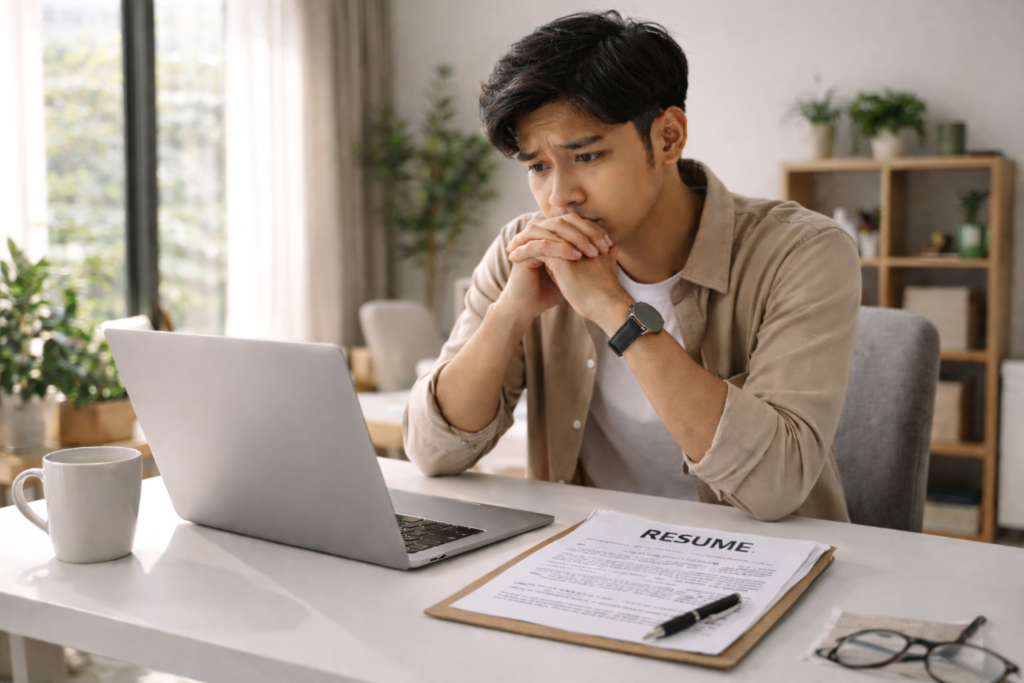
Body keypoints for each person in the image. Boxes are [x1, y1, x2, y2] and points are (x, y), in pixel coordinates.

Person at [403, 11, 860, 522]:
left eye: (588, 156)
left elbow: (775, 486)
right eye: (537, 166)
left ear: (668, 137)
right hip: (588, 555)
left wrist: (616, 309)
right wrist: (510, 313)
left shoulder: (803, 252)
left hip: (764, 560)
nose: (560, 196)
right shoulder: (525, 249)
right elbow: (433, 451)